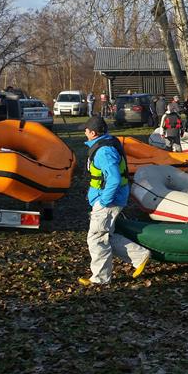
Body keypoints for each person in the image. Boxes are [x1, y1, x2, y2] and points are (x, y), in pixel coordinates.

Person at [78, 116, 150, 286]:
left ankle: (101, 278)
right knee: (105, 235)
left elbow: (114, 179)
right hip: (109, 198)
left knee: (96, 238)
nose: (85, 132)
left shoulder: (104, 152)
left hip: (108, 201)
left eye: (86, 130)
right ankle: (139, 256)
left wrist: (104, 201)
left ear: (93, 133)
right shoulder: (107, 142)